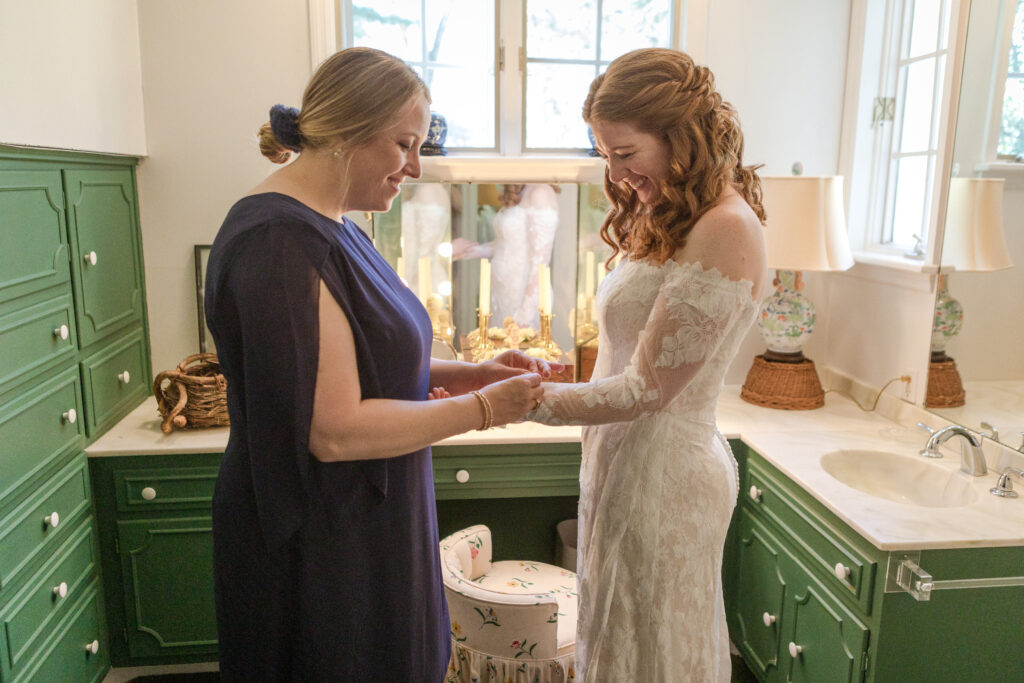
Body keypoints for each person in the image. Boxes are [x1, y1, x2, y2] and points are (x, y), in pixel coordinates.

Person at [204, 47, 554, 681]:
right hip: (320, 540)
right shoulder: (280, 242)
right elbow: (334, 430)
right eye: (405, 144)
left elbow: (368, 364)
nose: (415, 167)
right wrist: (480, 410)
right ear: (345, 135)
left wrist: (470, 373)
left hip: (371, 521)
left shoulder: (337, 227)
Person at [525, 47, 769, 682]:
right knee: (615, 639)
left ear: (679, 135)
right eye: (603, 154)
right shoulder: (668, 213)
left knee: (656, 652)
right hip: (619, 458)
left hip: (666, 474)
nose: (616, 172)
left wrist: (520, 402)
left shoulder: (726, 227)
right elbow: (622, 349)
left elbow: (645, 388)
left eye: (625, 154)